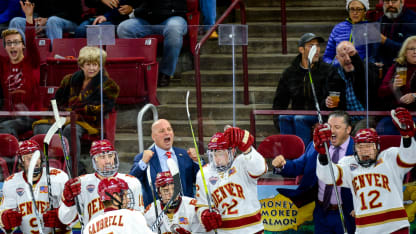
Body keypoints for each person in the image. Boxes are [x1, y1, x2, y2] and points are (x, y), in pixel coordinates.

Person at [316, 107, 416, 233]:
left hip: (394, 227)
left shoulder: (389, 158)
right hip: (365, 229)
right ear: (355, 148)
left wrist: (406, 136)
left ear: (378, 147)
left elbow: (410, 157)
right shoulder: (349, 164)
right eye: (360, 146)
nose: (364, 151)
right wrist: (323, 155)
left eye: (369, 146)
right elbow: (328, 176)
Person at [33, 46, 120, 165]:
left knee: (71, 129)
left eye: (95, 64)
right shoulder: (69, 80)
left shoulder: (108, 85)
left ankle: (73, 167)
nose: (92, 68)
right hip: (64, 118)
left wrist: (74, 117)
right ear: (82, 65)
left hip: (89, 121)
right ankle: (44, 165)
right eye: (88, 64)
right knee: (41, 127)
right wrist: (59, 115)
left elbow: (103, 108)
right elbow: (56, 101)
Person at [272, 110, 356, 234]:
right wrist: (281, 165)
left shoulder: (358, 149)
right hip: (321, 211)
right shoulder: (316, 145)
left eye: (337, 127)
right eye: (329, 127)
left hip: (347, 212)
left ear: (348, 130)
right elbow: (298, 166)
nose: (331, 131)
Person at [272, 32, 344, 145]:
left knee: (299, 119)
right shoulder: (290, 73)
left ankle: (302, 156)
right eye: (311, 46)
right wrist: (277, 121)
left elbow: (338, 96)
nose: (316, 49)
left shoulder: (328, 70)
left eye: (318, 46)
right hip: (298, 115)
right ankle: (288, 156)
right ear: (301, 49)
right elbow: (279, 103)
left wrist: (325, 114)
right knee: (283, 118)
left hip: (321, 117)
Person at [195, 127, 267, 233]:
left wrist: (247, 148)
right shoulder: (204, 173)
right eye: (213, 154)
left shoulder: (243, 161)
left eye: (220, 153)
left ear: (232, 151)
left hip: (253, 230)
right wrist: (204, 214)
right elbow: (201, 204)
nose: (216, 159)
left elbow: (260, 168)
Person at [58, 139, 144, 226]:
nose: (107, 161)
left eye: (110, 156)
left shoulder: (132, 181)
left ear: (115, 156)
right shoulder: (81, 183)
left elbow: (139, 219)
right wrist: (69, 202)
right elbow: (65, 219)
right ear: (94, 160)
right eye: (102, 157)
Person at [0, 140, 69, 233]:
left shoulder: (58, 177)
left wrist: (62, 219)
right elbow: (4, 222)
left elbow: (72, 212)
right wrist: (6, 221)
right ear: (21, 162)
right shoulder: (11, 182)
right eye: (28, 158)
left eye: (36, 157)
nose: (34, 162)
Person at [117, 0, 188, 87]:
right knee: (124, 28)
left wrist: (135, 11)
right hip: (147, 19)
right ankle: (141, 70)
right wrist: (132, 9)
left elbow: (165, 7)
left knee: (174, 28)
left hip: (173, 18)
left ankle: (165, 73)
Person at [130, 119, 200, 207]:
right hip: (157, 211)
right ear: (153, 136)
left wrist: (197, 161)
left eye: (169, 129)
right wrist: (143, 163)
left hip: (185, 209)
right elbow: (131, 182)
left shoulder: (186, 155)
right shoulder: (142, 158)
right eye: (162, 131)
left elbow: (201, 178)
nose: (167, 133)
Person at [0, 0, 41, 137]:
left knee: (5, 127)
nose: (12, 46)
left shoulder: (32, 62)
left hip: (29, 115)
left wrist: (29, 18)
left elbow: (30, 41)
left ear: (23, 46)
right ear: (5, 47)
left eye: (16, 43)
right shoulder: (3, 64)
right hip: (8, 114)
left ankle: (13, 158)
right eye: (9, 43)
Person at [83, 177, 154, 234]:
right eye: (125, 195)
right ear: (115, 197)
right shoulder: (132, 215)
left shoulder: (89, 227)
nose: (128, 200)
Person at [377, 35, 416, 135]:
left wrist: (414, 96)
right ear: (405, 52)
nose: (415, 52)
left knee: (410, 130)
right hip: (397, 113)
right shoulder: (396, 67)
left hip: (415, 113)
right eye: (412, 49)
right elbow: (381, 91)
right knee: (382, 129)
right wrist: (393, 87)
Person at [323, 0, 374, 67]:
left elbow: (374, 57)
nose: (355, 13)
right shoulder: (338, 28)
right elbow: (327, 57)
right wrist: (337, 64)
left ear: (365, 11)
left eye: (359, 9)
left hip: (362, 72)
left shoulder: (371, 28)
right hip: (339, 73)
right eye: (352, 9)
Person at [8, 0, 82, 42]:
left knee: (53, 21)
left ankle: (55, 56)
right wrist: (35, 20)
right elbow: (35, 9)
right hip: (45, 21)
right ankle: (19, 57)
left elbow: (73, 13)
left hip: (69, 22)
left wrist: (46, 19)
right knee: (16, 21)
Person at [376, 0, 416, 75]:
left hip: (405, 66)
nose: (390, 4)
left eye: (394, 1)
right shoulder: (381, 20)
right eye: (387, 2)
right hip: (384, 66)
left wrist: (385, 41)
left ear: (402, 2)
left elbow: (409, 49)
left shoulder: (413, 20)